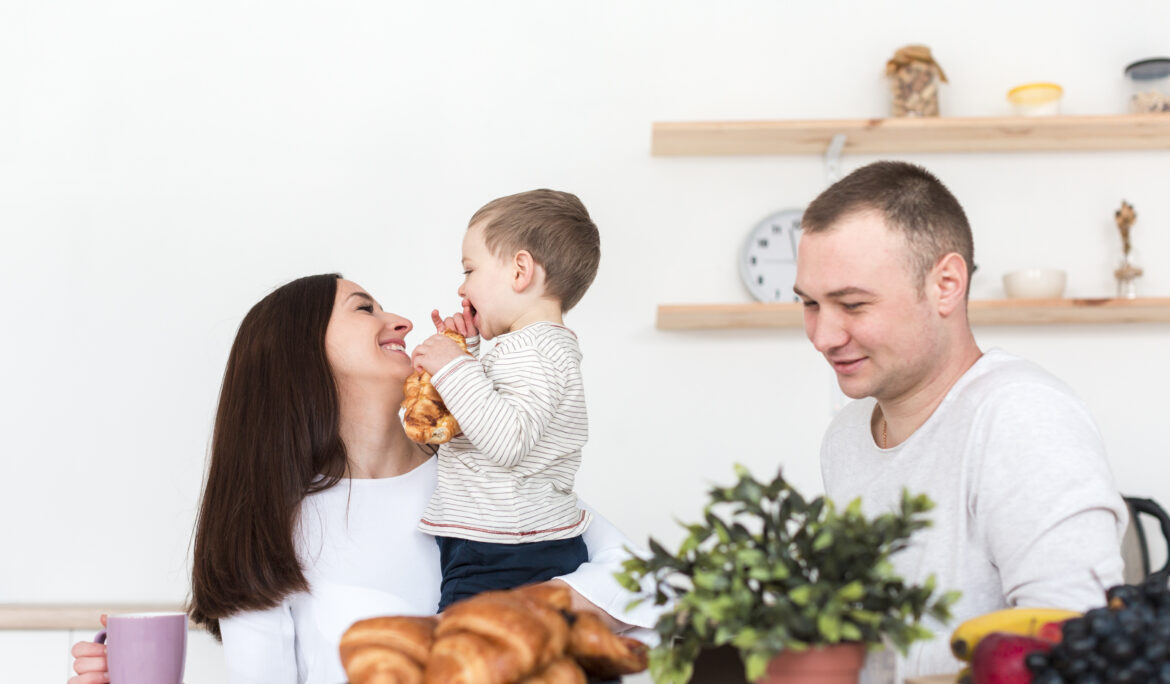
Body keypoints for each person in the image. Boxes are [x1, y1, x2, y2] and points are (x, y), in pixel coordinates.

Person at [69, 274, 657, 684]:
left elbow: (661, 587)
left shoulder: (480, 468)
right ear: (300, 356)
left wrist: (515, 613)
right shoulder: (272, 530)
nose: (399, 320)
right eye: (364, 308)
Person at [792, 161, 1127, 680]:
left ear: (946, 284)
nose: (822, 336)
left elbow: (1078, 652)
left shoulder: (1021, 416)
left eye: (852, 304)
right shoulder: (846, 436)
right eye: (810, 304)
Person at [410, 189, 600, 611]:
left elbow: (507, 440)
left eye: (470, 269)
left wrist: (453, 367)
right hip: (503, 543)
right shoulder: (526, 349)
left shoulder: (541, 351)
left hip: (507, 552)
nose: (462, 286)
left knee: (467, 657)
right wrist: (469, 351)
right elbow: (492, 411)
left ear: (520, 271)